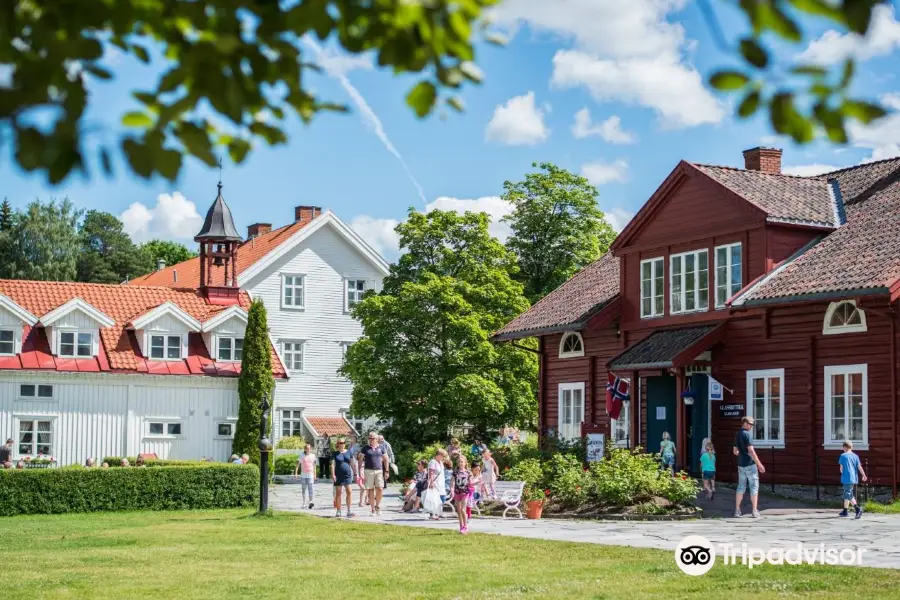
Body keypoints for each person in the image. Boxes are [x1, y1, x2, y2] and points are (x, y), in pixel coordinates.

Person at [733, 416, 766, 518]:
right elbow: (751, 451)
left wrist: (741, 453)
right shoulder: (747, 435)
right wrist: (759, 464)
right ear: (745, 424)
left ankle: (737, 510)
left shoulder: (738, 434)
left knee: (741, 486)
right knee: (754, 486)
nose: (752, 426)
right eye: (750, 424)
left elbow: (735, 451)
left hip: (741, 464)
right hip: (750, 464)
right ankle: (754, 510)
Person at [357, 432, 389, 515]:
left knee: (380, 488)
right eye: (369, 438)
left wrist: (387, 471)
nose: (371, 440)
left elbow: (386, 459)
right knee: (370, 490)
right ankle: (372, 509)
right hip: (368, 471)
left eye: (372, 438)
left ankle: (377, 506)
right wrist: (360, 471)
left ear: (377, 439)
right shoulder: (365, 448)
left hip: (379, 471)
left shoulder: (381, 447)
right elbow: (360, 460)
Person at [839, 440, 867, 519]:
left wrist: (842, 471)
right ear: (851, 447)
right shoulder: (855, 456)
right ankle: (845, 510)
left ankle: (857, 509)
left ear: (844, 447)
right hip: (854, 477)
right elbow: (859, 467)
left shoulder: (842, 456)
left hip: (846, 477)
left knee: (848, 493)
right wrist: (864, 475)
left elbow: (841, 469)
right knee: (847, 492)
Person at [331, 437, 356, 518]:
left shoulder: (349, 452)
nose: (342, 444)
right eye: (340, 443)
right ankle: (338, 511)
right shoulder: (335, 453)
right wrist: (333, 474)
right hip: (338, 475)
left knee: (349, 491)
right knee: (338, 493)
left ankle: (349, 510)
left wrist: (355, 473)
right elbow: (332, 464)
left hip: (347, 475)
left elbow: (352, 463)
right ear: (337, 444)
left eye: (343, 443)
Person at [452, 454, 472, 534]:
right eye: (459, 462)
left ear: (465, 463)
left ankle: (465, 526)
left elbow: (470, 483)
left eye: (462, 462)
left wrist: (478, 482)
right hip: (457, 492)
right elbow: (452, 481)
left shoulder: (468, 472)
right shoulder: (455, 472)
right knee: (459, 510)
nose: (460, 463)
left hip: (465, 492)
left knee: (463, 510)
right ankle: (461, 526)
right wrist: (451, 488)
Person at [294, 443, 317, 509]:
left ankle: (310, 502)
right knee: (303, 489)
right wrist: (296, 473)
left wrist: (315, 474)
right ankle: (304, 503)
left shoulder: (313, 456)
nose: (308, 450)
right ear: (305, 449)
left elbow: (314, 466)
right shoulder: (301, 456)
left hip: (310, 474)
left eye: (309, 448)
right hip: (303, 475)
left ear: (310, 449)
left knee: (311, 489)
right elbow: (297, 465)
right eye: (307, 448)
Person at [426, 449, 447, 520]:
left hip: (441, 483)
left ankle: (439, 512)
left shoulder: (440, 462)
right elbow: (430, 473)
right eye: (442, 456)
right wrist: (431, 482)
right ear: (438, 455)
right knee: (434, 499)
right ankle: (433, 514)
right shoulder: (433, 462)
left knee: (442, 498)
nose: (443, 457)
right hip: (435, 483)